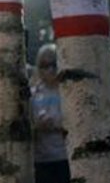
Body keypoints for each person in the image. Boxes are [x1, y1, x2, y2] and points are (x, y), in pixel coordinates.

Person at [31, 44, 69, 183]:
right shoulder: (32, 94)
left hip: (66, 156)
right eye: (45, 65)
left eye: (54, 64)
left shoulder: (69, 92)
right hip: (41, 159)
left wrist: (58, 126)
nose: (51, 69)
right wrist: (37, 127)